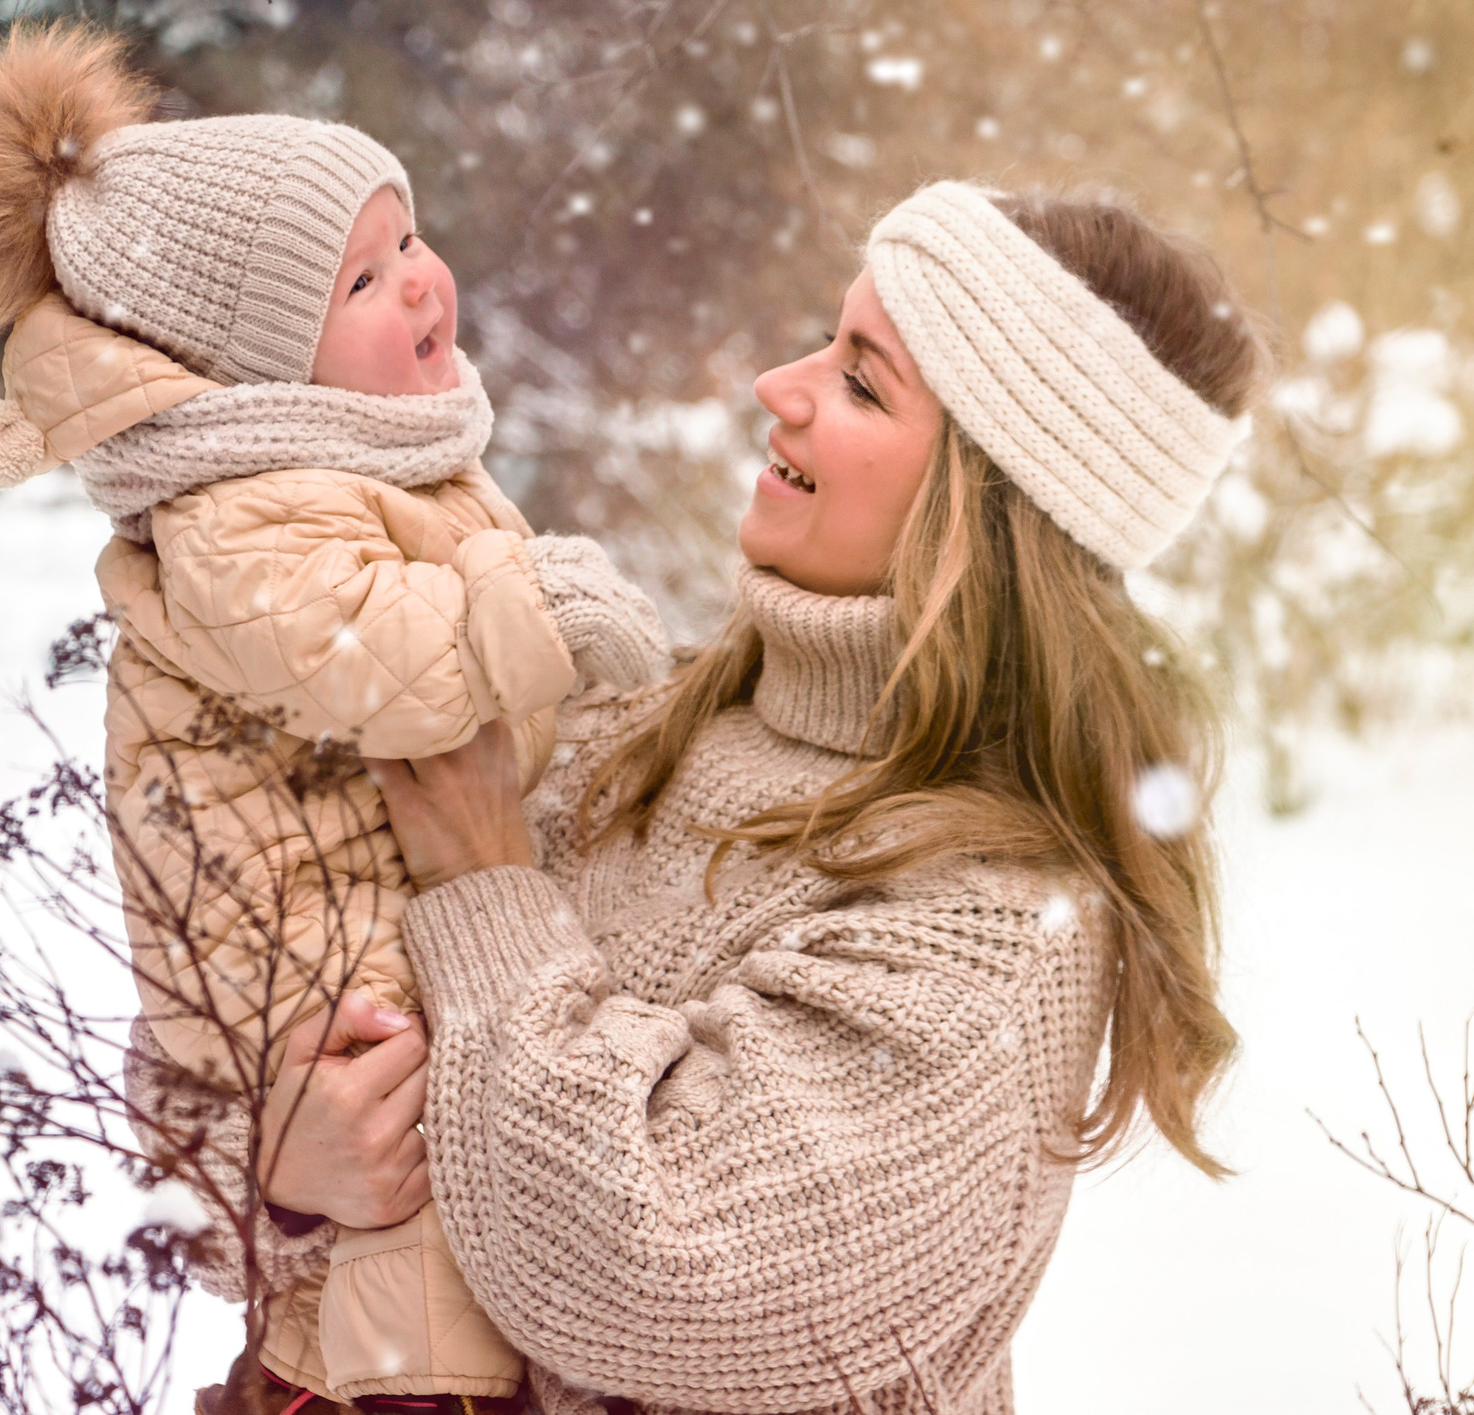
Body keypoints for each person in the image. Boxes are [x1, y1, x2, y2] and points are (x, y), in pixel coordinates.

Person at [149, 179, 1270, 1415]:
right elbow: (244, 1009)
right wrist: (278, 1159)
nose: (778, 387)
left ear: (981, 509)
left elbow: (657, 1262)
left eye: (859, 381)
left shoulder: (995, 928)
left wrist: (484, 893)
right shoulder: (622, 735)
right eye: (826, 342)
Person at [0, 21, 668, 1413]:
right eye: (363, 278)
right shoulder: (247, 510)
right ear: (256, 363)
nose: (421, 281)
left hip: (376, 1005)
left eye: (409, 238)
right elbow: (373, 656)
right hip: (342, 1007)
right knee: (414, 1262)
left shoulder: (354, 459)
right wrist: (541, 612)